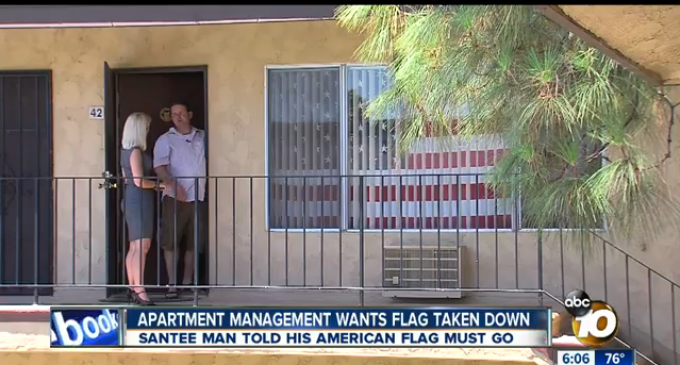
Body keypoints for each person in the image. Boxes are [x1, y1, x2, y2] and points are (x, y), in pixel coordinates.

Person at [153, 102, 207, 299]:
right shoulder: (166, 139)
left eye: (181, 113)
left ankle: (187, 283)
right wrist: (173, 185)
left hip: (198, 197)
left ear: (189, 114)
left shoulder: (202, 137)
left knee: (194, 242)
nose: (178, 116)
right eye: (174, 114)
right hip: (175, 198)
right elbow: (159, 167)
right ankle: (173, 285)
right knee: (171, 242)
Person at [120, 112, 163, 306]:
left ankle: (133, 287)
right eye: (145, 127)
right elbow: (139, 181)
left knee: (134, 246)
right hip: (140, 200)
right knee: (142, 246)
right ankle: (140, 290)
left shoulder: (125, 151)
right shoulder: (136, 151)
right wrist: (160, 186)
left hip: (132, 199)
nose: (147, 131)